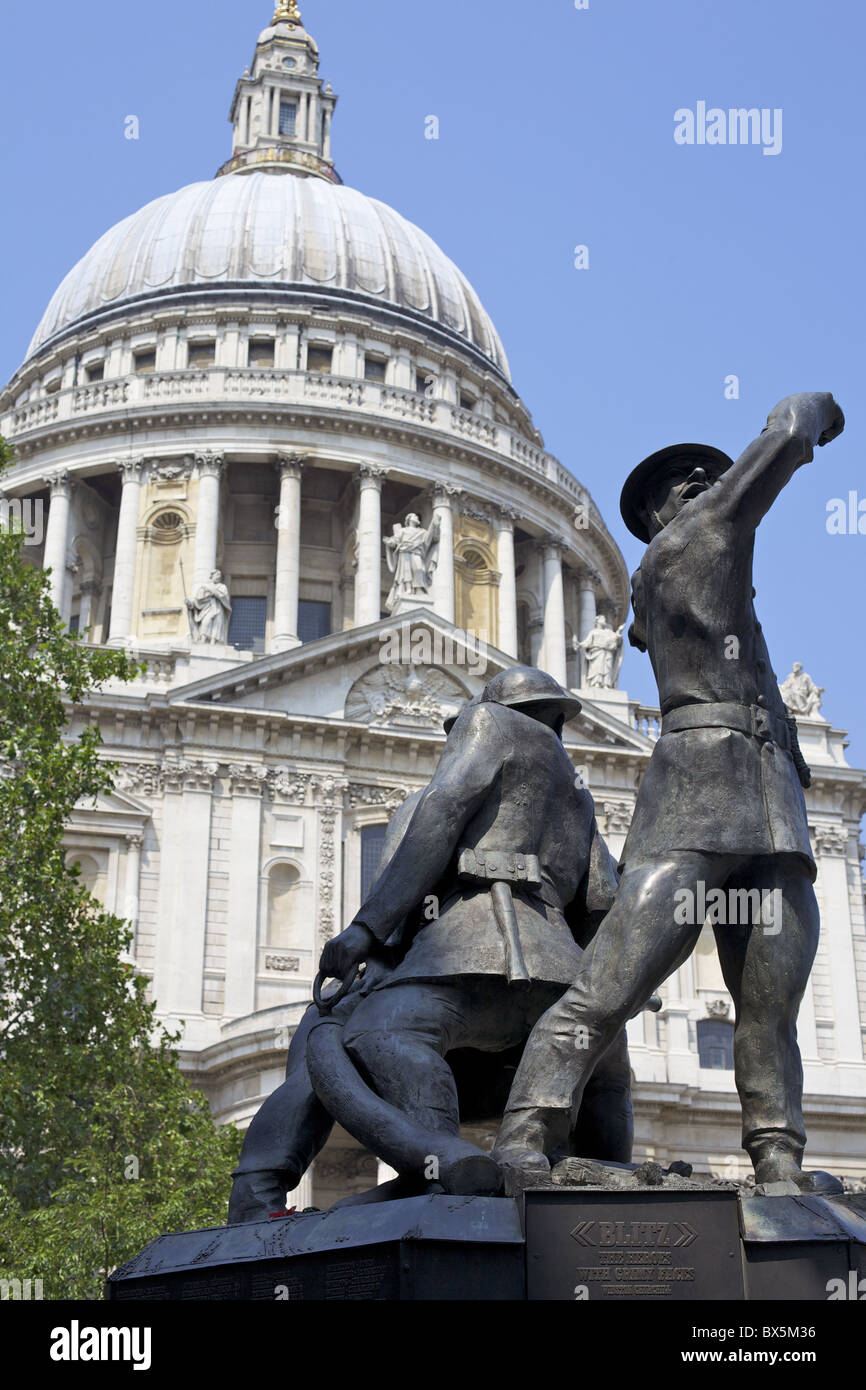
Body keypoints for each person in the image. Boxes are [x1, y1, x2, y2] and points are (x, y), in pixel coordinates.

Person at [493, 392, 846, 1196]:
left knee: (771, 1000)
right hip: (697, 792)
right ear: (656, 519)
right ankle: (524, 1136)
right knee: (611, 983)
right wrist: (817, 409)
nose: (695, 482)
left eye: (703, 476)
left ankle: (779, 1162)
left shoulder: (722, 577)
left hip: (769, 810)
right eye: (676, 482)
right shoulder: (694, 540)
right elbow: (788, 432)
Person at [228, 680, 636, 1220]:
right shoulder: (579, 801)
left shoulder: (481, 731)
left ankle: (274, 1192)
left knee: (342, 1030)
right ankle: (611, 1180)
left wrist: (364, 933)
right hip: (563, 986)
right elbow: (604, 902)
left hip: (476, 964)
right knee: (604, 1060)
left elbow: (430, 839)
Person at [187, 569, 231, 644]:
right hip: (207, 609)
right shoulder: (205, 587)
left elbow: (224, 597)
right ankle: (203, 639)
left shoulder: (222, 587)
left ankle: (213, 642)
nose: (218, 577)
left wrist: (213, 592)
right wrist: (190, 604)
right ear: (212, 576)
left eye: (219, 576)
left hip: (218, 608)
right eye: (216, 575)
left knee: (217, 625)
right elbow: (198, 599)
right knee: (206, 622)